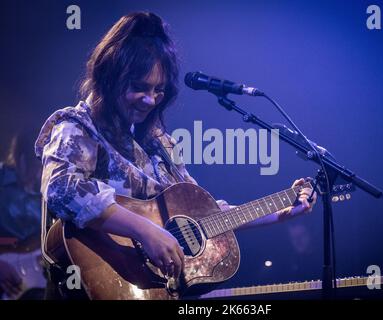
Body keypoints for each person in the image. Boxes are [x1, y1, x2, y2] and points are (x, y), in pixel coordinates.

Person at [34, 11, 317, 299]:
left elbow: (203, 215)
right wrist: (144, 230)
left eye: (159, 90)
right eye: (139, 88)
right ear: (110, 78)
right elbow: (61, 188)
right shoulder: (78, 126)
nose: (150, 100)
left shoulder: (160, 143)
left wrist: (277, 213)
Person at [0, 130, 45, 299]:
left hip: (27, 283)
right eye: (35, 164)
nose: (38, 172)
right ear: (21, 157)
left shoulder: (43, 195)